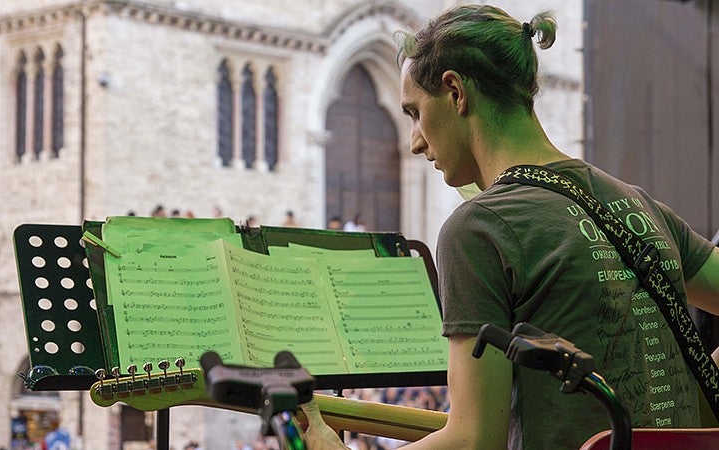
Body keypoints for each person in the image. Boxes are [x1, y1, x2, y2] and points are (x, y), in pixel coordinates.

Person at [301, 4, 719, 449]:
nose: (415, 142)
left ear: (456, 92)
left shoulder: (480, 229)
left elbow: (474, 441)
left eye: (416, 113)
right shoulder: (637, 203)